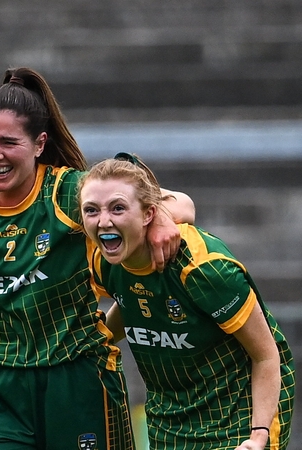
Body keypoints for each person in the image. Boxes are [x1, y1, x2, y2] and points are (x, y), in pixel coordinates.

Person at [0, 68, 196, 449]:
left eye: (8, 142)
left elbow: (183, 203)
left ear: (39, 144)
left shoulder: (69, 192)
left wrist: (161, 216)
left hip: (77, 379)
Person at [79, 153, 295, 450]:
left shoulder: (203, 271)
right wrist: (90, 339)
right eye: (92, 210)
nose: (104, 221)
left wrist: (258, 436)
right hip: (168, 421)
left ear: (149, 214)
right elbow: (131, 302)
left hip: (237, 418)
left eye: (118, 208)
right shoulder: (104, 262)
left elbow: (267, 356)